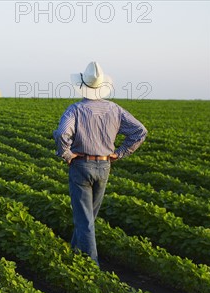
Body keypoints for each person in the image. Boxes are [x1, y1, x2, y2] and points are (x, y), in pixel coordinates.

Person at [53, 61, 147, 266]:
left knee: (84, 218)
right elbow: (140, 131)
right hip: (104, 166)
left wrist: (67, 155)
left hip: (81, 166)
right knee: (88, 217)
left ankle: (92, 266)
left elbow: (62, 133)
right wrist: (120, 153)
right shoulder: (115, 109)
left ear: (82, 85)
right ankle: (75, 254)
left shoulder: (75, 110)